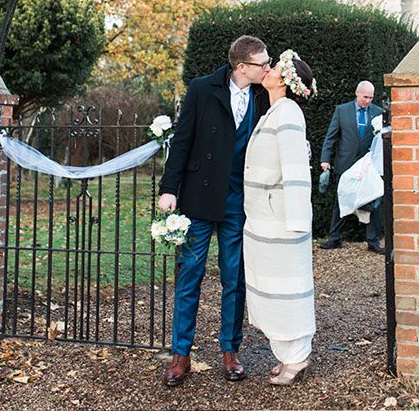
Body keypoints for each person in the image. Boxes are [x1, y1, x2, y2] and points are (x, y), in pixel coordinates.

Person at [158, 35, 272, 387]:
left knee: (234, 277)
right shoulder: (202, 88)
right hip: (199, 197)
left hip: (238, 199)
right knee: (190, 275)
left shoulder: (263, 95)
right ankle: (181, 354)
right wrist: (169, 189)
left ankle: (230, 351)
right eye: (263, 63)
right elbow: (182, 140)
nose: (267, 68)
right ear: (242, 67)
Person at [243, 49, 317, 386]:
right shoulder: (274, 111)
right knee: (271, 288)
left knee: (288, 289)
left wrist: (295, 222)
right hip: (264, 219)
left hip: (281, 222)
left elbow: (295, 169)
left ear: (285, 81)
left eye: (274, 68)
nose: (268, 70)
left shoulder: (288, 113)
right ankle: (286, 354)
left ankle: (297, 356)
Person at [319, 80, 385, 254]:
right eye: (365, 97)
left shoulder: (378, 113)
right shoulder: (341, 111)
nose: (368, 101)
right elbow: (331, 137)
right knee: (341, 200)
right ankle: (334, 238)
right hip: (345, 163)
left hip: (368, 165)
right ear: (357, 93)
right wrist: (325, 159)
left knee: (373, 199)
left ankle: (373, 241)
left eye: (371, 98)